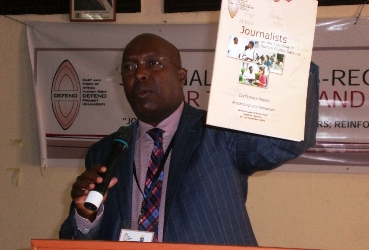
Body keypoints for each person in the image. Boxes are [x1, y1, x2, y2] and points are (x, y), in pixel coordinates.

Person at [59, 33, 320, 246]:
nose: (139, 74)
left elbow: (284, 142)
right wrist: (85, 213)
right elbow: (79, 236)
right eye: (129, 67)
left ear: (182, 76)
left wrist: (290, 56)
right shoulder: (106, 151)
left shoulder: (220, 132)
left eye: (154, 63)